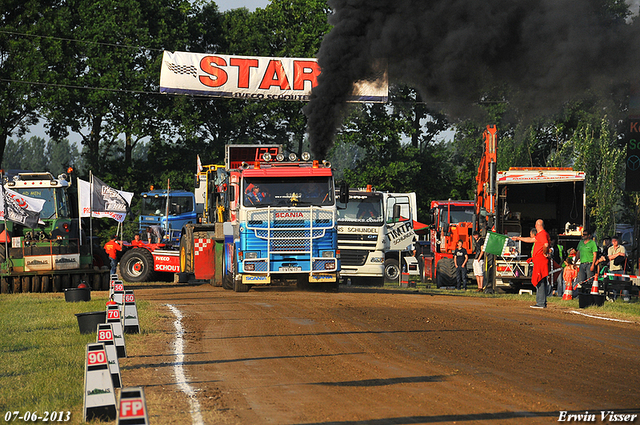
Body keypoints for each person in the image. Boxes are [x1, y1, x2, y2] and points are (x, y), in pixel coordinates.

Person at [512, 219, 550, 308]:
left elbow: (546, 245)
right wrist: (518, 238)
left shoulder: (543, 234)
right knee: (540, 280)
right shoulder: (541, 235)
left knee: (539, 280)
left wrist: (544, 253)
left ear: (537, 225)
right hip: (539, 261)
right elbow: (530, 240)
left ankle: (540, 302)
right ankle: (541, 302)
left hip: (540, 261)